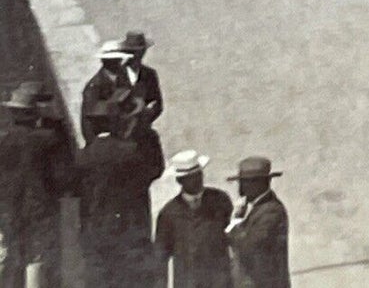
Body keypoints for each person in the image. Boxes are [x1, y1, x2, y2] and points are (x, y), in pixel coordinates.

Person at [75, 102, 165, 288]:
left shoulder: (83, 156)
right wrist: (147, 132)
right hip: (129, 229)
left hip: (95, 233)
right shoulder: (129, 152)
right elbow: (155, 170)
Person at [0, 80, 74, 288]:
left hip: (8, 211)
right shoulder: (49, 141)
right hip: (40, 210)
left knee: (11, 260)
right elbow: (64, 177)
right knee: (37, 261)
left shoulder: (3, 141)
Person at [155, 151, 233, 288]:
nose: (197, 180)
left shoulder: (220, 200)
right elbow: (160, 257)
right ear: (179, 180)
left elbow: (234, 238)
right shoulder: (169, 213)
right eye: (190, 177)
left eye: (199, 174)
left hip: (220, 281)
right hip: (188, 282)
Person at [225, 157, 289, 288]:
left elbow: (249, 244)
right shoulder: (252, 208)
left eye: (248, 182)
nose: (242, 187)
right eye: (242, 182)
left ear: (264, 182)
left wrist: (234, 224)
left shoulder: (272, 211)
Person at [80, 43, 137, 145]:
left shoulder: (123, 78)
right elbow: (89, 117)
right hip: (103, 138)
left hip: (124, 134)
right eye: (112, 60)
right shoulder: (94, 86)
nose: (117, 63)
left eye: (118, 59)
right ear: (104, 62)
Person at [120, 31, 164, 133]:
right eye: (132, 52)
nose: (136, 56)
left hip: (143, 129)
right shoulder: (118, 75)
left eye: (140, 52)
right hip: (121, 133)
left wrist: (147, 117)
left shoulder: (149, 74)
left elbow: (158, 103)